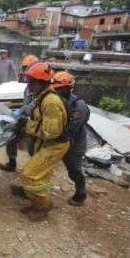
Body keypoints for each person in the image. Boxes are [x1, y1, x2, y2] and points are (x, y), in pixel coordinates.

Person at [11, 62, 70, 221]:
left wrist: (27, 127)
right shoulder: (42, 96)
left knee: (29, 174)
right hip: (46, 143)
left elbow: (51, 132)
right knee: (40, 176)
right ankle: (35, 202)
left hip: (54, 145)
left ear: (43, 82)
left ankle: (43, 206)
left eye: (32, 82)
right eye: (28, 82)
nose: (29, 86)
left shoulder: (50, 101)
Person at [52, 71, 90, 206]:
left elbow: (72, 129)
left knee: (74, 171)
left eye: (62, 88)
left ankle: (81, 193)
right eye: (57, 89)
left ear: (70, 87)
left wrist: (52, 136)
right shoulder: (55, 101)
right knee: (42, 165)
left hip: (73, 144)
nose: (60, 91)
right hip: (57, 140)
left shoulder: (78, 106)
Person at [0, 54, 39, 172]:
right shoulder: (28, 87)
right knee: (11, 137)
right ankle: (12, 164)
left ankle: (34, 171)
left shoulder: (42, 87)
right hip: (27, 119)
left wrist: (20, 112)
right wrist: (19, 115)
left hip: (38, 122)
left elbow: (34, 104)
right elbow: (26, 103)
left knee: (34, 148)